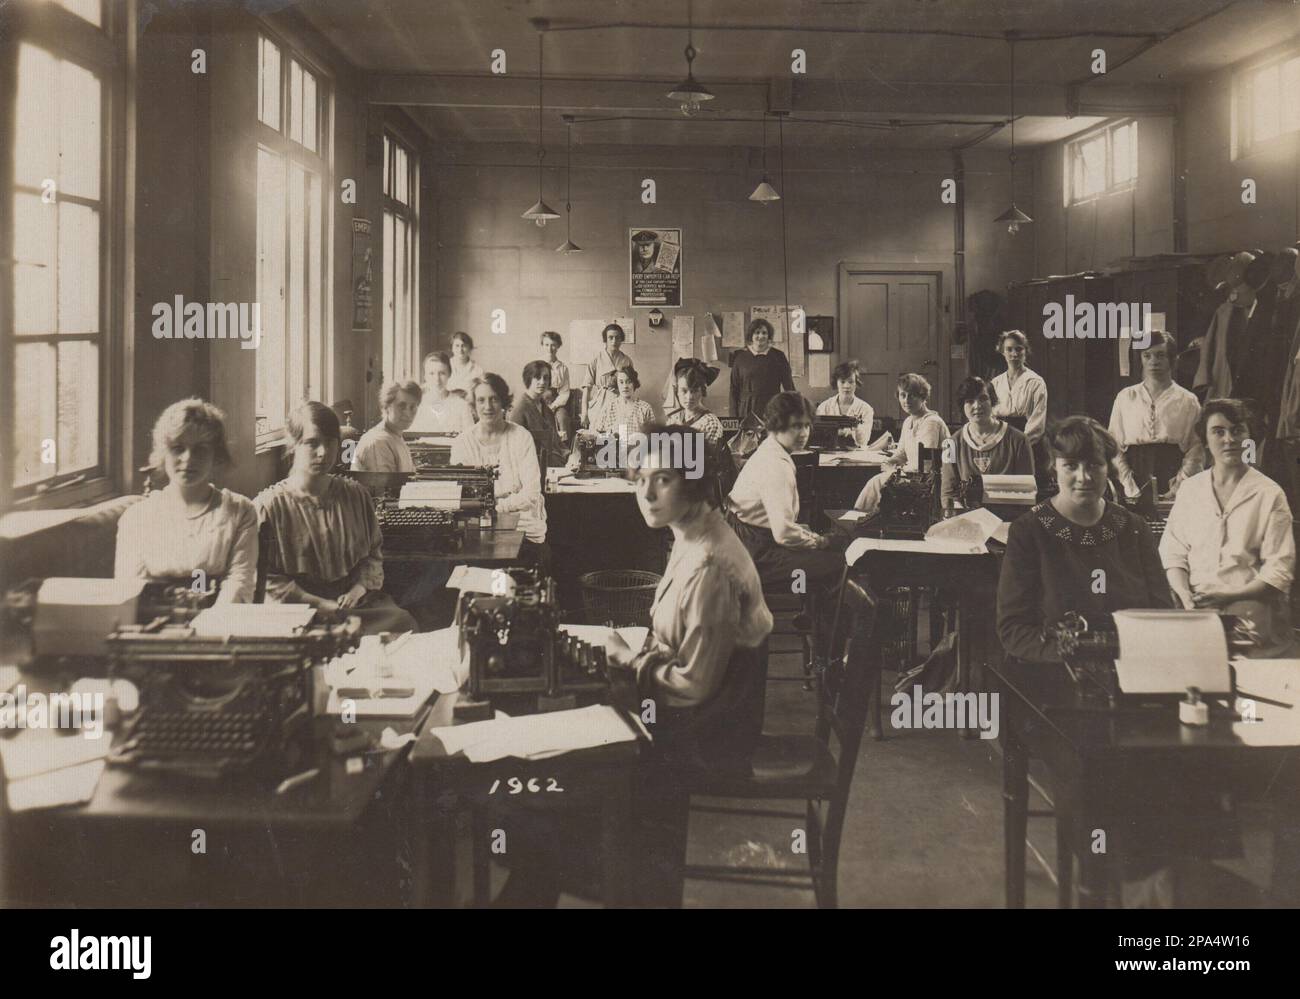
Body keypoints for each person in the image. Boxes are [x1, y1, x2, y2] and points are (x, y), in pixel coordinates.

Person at [997, 417, 1171, 664]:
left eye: (1094, 465)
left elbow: (1163, 616)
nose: (1084, 477)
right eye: (1070, 465)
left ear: (1107, 469)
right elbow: (1014, 630)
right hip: (1057, 672)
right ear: (1054, 467)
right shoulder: (1027, 531)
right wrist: (1078, 657)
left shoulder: (1135, 528)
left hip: (1132, 668)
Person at [255, 402, 418, 635]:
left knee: (403, 623)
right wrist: (318, 603)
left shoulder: (356, 495)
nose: (323, 453)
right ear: (293, 445)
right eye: (312, 443)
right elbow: (267, 578)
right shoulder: (270, 506)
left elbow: (373, 555)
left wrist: (358, 590)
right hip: (298, 609)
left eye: (330, 442)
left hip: (354, 604)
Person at [1160, 399, 1295, 657]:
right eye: (1218, 431)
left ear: (1249, 437)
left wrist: (1228, 595)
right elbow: (1173, 552)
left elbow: (1279, 570)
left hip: (1251, 612)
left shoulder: (1268, 493)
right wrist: (1184, 594)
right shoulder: (1190, 490)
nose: (1229, 439)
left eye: (1237, 430)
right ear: (1206, 438)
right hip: (1195, 607)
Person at [726, 392, 844, 659]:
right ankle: (829, 658)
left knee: (825, 560)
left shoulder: (770, 451)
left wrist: (809, 537)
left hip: (747, 544)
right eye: (796, 426)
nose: (804, 433)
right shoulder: (775, 464)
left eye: (806, 425)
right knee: (838, 566)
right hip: (755, 554)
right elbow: (782, 532)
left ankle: (812, 619)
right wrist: (819, 541)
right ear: (778, 426)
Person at [115, 398, 259, 603]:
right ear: (163, 453)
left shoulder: (240, 511)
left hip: (219, 623)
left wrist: (207, 627)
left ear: (215, 454)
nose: (188, 458)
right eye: (178, 448)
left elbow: (240, 582)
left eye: (200, 449)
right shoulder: (136, 518)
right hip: (154, 625)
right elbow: (130, 589)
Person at [451, 374, 548, 561]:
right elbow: (461, 496)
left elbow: (532, 494)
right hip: (476, 528)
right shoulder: (462, 443)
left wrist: (496, 508)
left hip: (522, 526)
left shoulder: (521, 437)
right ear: (473, 405)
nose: (487, 407)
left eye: (494, 399)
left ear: (503, 401)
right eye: (481, 400)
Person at [1108, 331, 1204, 501]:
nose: (1154, 362)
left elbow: (1196, 449)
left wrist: (1179, 486)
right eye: (1147, 356)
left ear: (1172, 359)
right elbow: (1114, 445)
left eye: (1160, 355)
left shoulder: (1188, 400)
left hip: (1172, 475)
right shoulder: (1126, 397)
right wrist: (1129, 485)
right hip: (1134, 476)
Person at [854, 373, 950, 518]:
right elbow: (902, 453)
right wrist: (890, 462)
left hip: (929, 482)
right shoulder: (908, 421)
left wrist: (896, 471)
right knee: (876, 483)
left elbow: (924, 465)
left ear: (923, 397)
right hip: (913, 476)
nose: (906, 400)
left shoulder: (931, 422)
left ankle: (861, 520)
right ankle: (863, 520)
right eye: (902, 395)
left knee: (876, 484)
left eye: (912, 396)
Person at [941, 376, 1035, 510]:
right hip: (967, 520)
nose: (977, 406)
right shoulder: (950, 444)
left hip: (1008, 520)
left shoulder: (1020, 441)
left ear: (993, 401)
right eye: (970, 401)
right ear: (962, 406)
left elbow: (1027, 493)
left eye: (983, 398)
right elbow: (948, 493)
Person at [989, 331, 1048, 459]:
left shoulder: (1035, 382)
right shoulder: (996, 383)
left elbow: (1037, 421)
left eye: (1019, 349)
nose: (1014, 354)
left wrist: (1020, 446)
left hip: (1027, 444)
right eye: (1009, 349)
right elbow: (991, 415)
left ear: (1025, 351)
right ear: (1002, 351)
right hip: (999, 442)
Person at [729, 318, 795, 422]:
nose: (761, 336)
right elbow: (734, 389)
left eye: (764, 333)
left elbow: (789, 386)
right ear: (751, 335)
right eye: (757, 333)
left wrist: (793, 411)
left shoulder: (778, 356)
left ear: (769, 336)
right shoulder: (740, 357)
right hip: (746, 410)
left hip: (771, 409)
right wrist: (733, 417)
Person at [351, 380, 421, 472]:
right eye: (401, 406)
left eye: (412, 407)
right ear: (386, 407)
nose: (408, 413)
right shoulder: (378, 441)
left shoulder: (395, 436)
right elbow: (383, 486)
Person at [510, 360, 568, 468]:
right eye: (537, 377)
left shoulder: (547, 410)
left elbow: (556, 443)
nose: (542, 382)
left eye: (546, 378)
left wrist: (569, 455)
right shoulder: (519, 410)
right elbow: (514, 450)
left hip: (555, 466)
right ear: (528, 379)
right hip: (532, 468)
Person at [815, 360, 876, 448]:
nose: (846, 386)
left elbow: (864, 440)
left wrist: (854, 430)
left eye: (851, 382)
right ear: (836, 383)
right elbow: (818, 436)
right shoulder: (824, 407)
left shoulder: (866, 409)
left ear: (856, 383)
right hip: (828, 454)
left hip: (856, 455)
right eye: (842, 382)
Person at [409, 351, 473, 434]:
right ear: (425, 376)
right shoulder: (417, 405)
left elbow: (471, 438)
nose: (437, 379)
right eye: (431, 373)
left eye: (442, 373)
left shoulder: (461, 405)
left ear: (449, 374)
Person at [666, 359, 724, 443]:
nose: (689, 397)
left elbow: (707, 455)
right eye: (684, 391)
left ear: (702, 392)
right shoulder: (673, 419)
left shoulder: (710, 424)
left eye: (695, 391)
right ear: (677, 391)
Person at [589, 365, 657, 438]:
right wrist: (611, 437)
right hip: (613, 448)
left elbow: (654, 439)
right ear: (617, 384)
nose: (625, 386)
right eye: (621, 382)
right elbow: (598, 437)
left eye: (629, 382)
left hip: (638, 448)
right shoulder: (608, 407)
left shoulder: (645, 408)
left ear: (634, 383)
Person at [587, 322, 633, 418]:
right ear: (605, 340)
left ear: (621, 339)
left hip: (620, 402)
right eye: (610, 337)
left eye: (617, 338)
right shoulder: (596, 359)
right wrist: (584, 413)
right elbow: (586, 388)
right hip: (600, 402)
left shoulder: (626, 360)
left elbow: (631, 386)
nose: (614, 341)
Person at [539, 331, 573, 443]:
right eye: (547, 345)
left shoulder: (563, 368)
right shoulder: (537, 366)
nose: (550, 348)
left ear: (558, 346)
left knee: (563, 418)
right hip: (540, 400)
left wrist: (553, 406)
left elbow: (564, 392)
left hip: (557, 402)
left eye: (553, 345)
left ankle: (563, 450)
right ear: (542, 346)